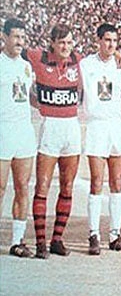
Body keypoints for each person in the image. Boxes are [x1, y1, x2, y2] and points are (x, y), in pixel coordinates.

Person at [25, 24, 82, 258]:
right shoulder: (37, 58)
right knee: (43, 186)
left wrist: (118, 55)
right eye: (61, 43)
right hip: (50, 128)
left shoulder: (78, 61)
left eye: (69, 42)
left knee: (67, 186)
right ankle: (40, 242)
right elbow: (14, 49)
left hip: (72, 129)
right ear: (52, 43)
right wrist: (32, 100)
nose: (66, 47)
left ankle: (57, 239)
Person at [80, 23, 121, 254]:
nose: (111, 45)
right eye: (107, 40)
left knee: (117, 182)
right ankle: (93, 234)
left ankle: (115, 234)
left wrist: (120, 56)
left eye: (114, 41)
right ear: (98, 40)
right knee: (96, 181)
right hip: (96, 126)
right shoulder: (85, 65)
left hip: (116, 127)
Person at [0, 19, 36, 257]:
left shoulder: (26, 66)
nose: (19, 42)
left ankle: (17, 241)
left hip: (24, 131)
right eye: (15, 37)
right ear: (3, 37)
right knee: (0, 187)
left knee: (22, 187)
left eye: (22, 38)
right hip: (3, 130)